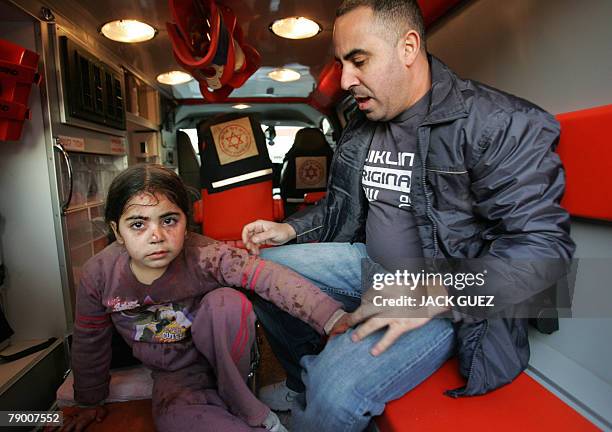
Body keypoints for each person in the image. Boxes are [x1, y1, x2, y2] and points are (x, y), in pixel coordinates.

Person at [242, 0, 575, 431]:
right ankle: (302, 379)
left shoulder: (499, 123)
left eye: (358, 60)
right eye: (341, 63)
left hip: (445, 292)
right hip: (370, 268)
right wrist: (288, 228)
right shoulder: (363, 125)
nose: (345, 80)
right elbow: (340, 204)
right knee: (260, 271)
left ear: (408, 47)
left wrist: (431, 295)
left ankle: (319, 389)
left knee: (334, 389)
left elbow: (546, 262)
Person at [61, 164, 345, 432]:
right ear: (116, 231)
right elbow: (89, 341)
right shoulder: (99, 275)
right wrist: (88, 401)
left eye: (169, 220)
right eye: (138, 225)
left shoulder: (206, 254)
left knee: (227, 302)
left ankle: (241, 400)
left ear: (187, 222)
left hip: (226, 362)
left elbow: (268, 276)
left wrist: (332, 318)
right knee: (176, 419)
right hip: (175, 375)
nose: (157, 236)